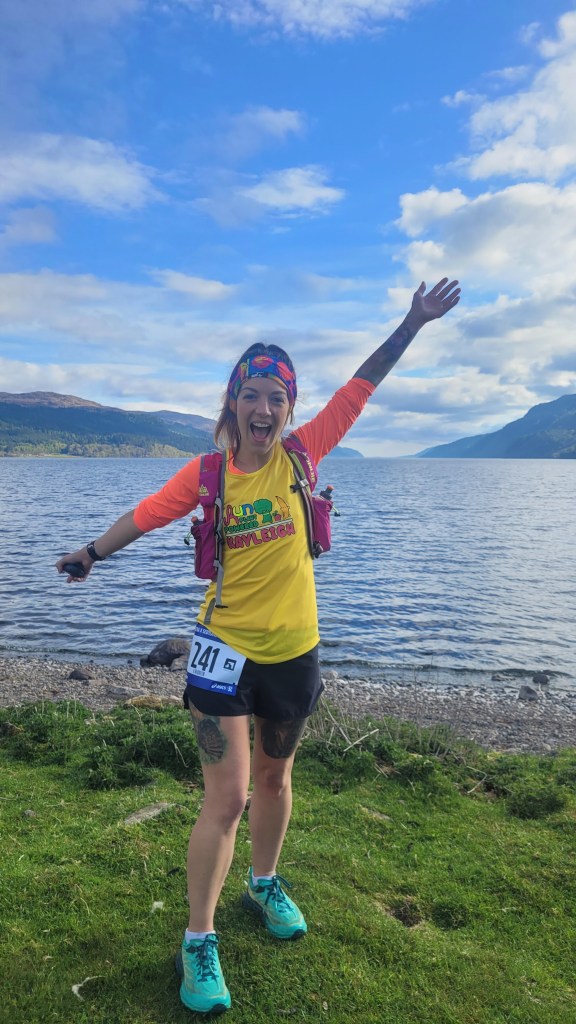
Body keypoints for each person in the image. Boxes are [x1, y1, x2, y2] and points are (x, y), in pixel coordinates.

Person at [56, 277, 460, 1015]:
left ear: (289, 409)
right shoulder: (208, 475)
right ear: (232, 404)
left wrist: (412, 323)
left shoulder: (304, 455)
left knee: (275, 782)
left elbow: (363, 385)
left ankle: (264, 884)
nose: (265, 408)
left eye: (278, 397)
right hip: (221, 654)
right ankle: (198, 941)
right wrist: (90, 552)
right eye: (253, 394)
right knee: (229, 795)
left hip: (295, 653)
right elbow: (143, 516)